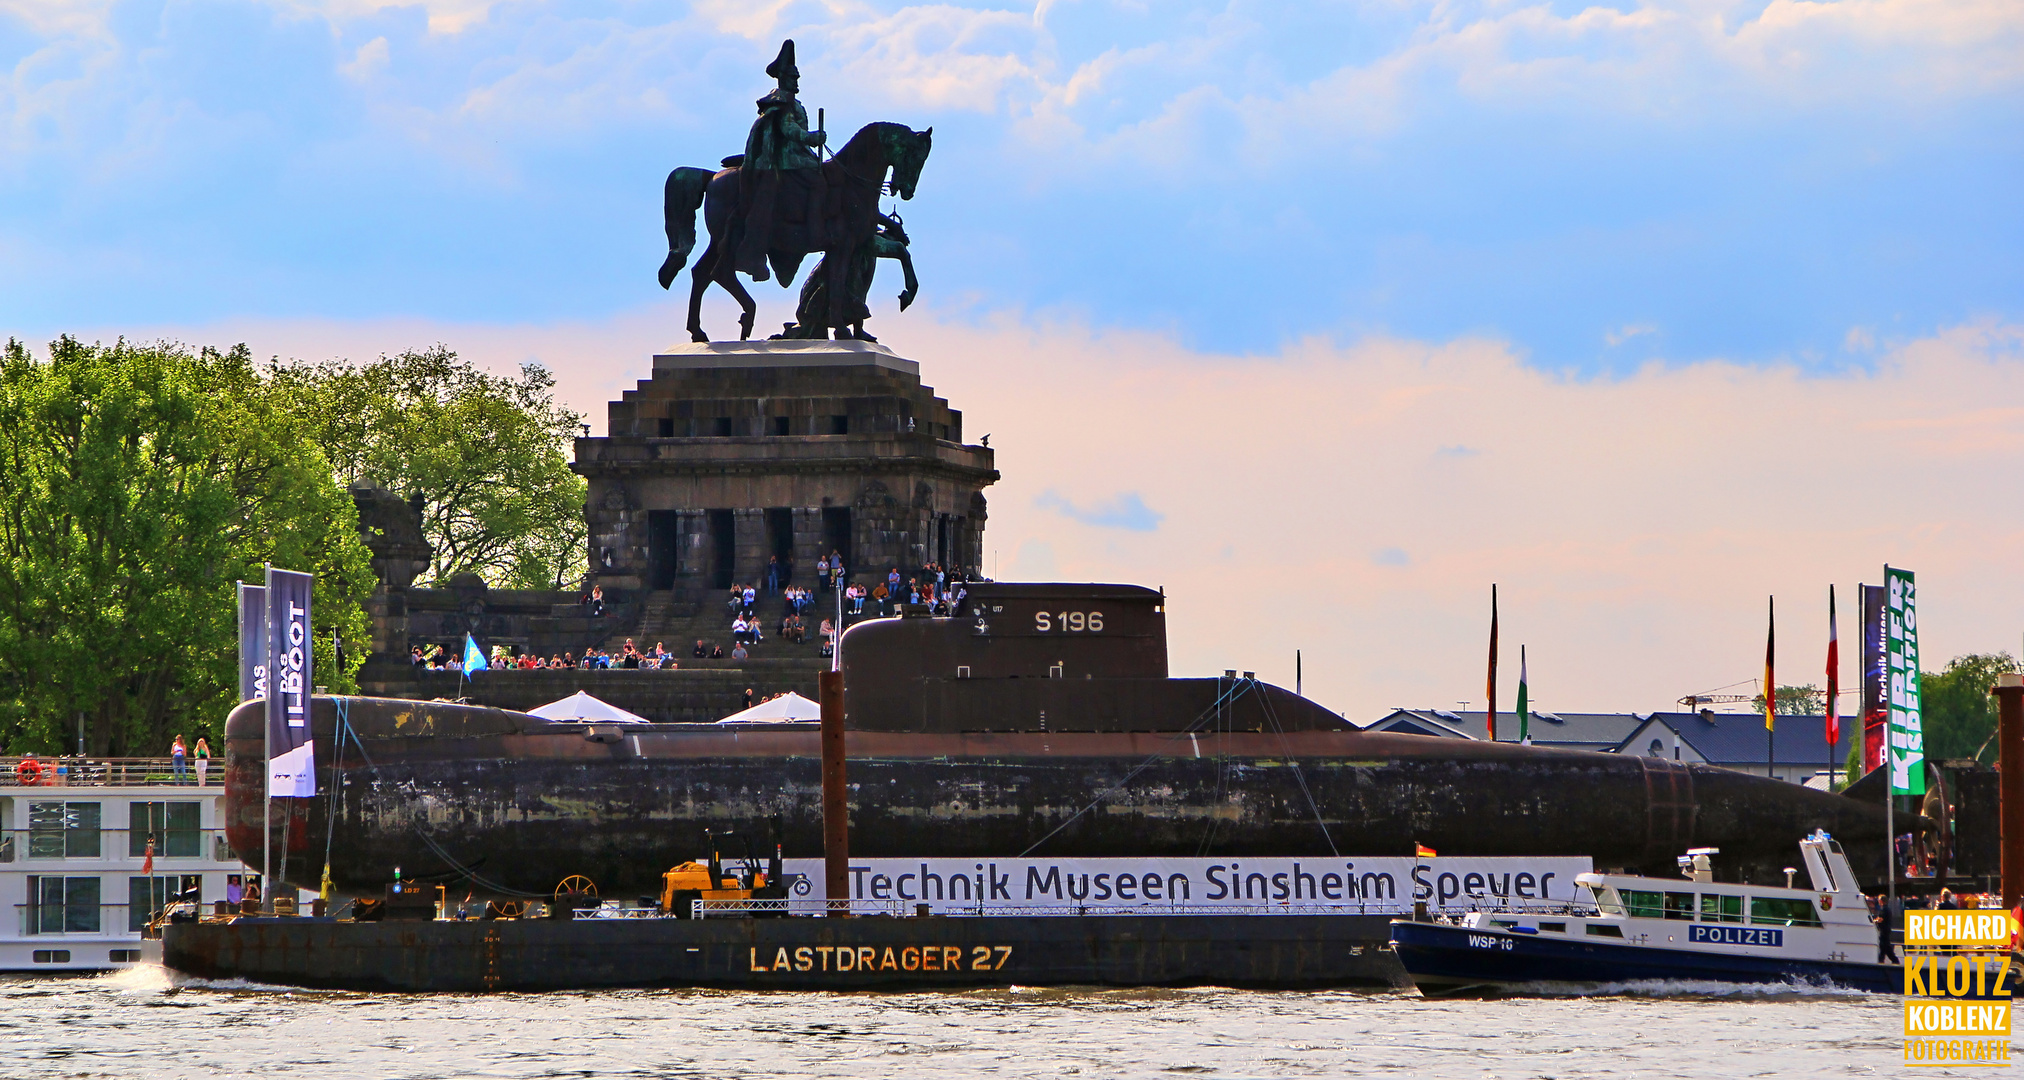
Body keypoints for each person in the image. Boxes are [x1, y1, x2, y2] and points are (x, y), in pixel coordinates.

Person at [735, 39, 827, 279]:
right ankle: (814, 228)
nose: (797, 82)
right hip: (786, 159)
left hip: (798, 155)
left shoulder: (792, 102)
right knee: (819, 182)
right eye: (793, 78)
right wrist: (812, 138)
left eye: (797, 78)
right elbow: (788, 131)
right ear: (783, 79)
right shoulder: (781, 101)